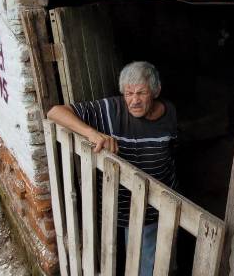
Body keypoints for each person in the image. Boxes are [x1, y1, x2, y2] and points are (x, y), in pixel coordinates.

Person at [47, 61, 177, 276]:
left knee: (150, 263)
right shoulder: (111, 109)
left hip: (157, 204)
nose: (134, 101)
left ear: (156, 91)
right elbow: (54, 112)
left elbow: (173, 148)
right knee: (122, 258)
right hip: (119, 205)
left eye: (141, 93)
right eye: (128, 93)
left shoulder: (169, 112)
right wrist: (91, 133)